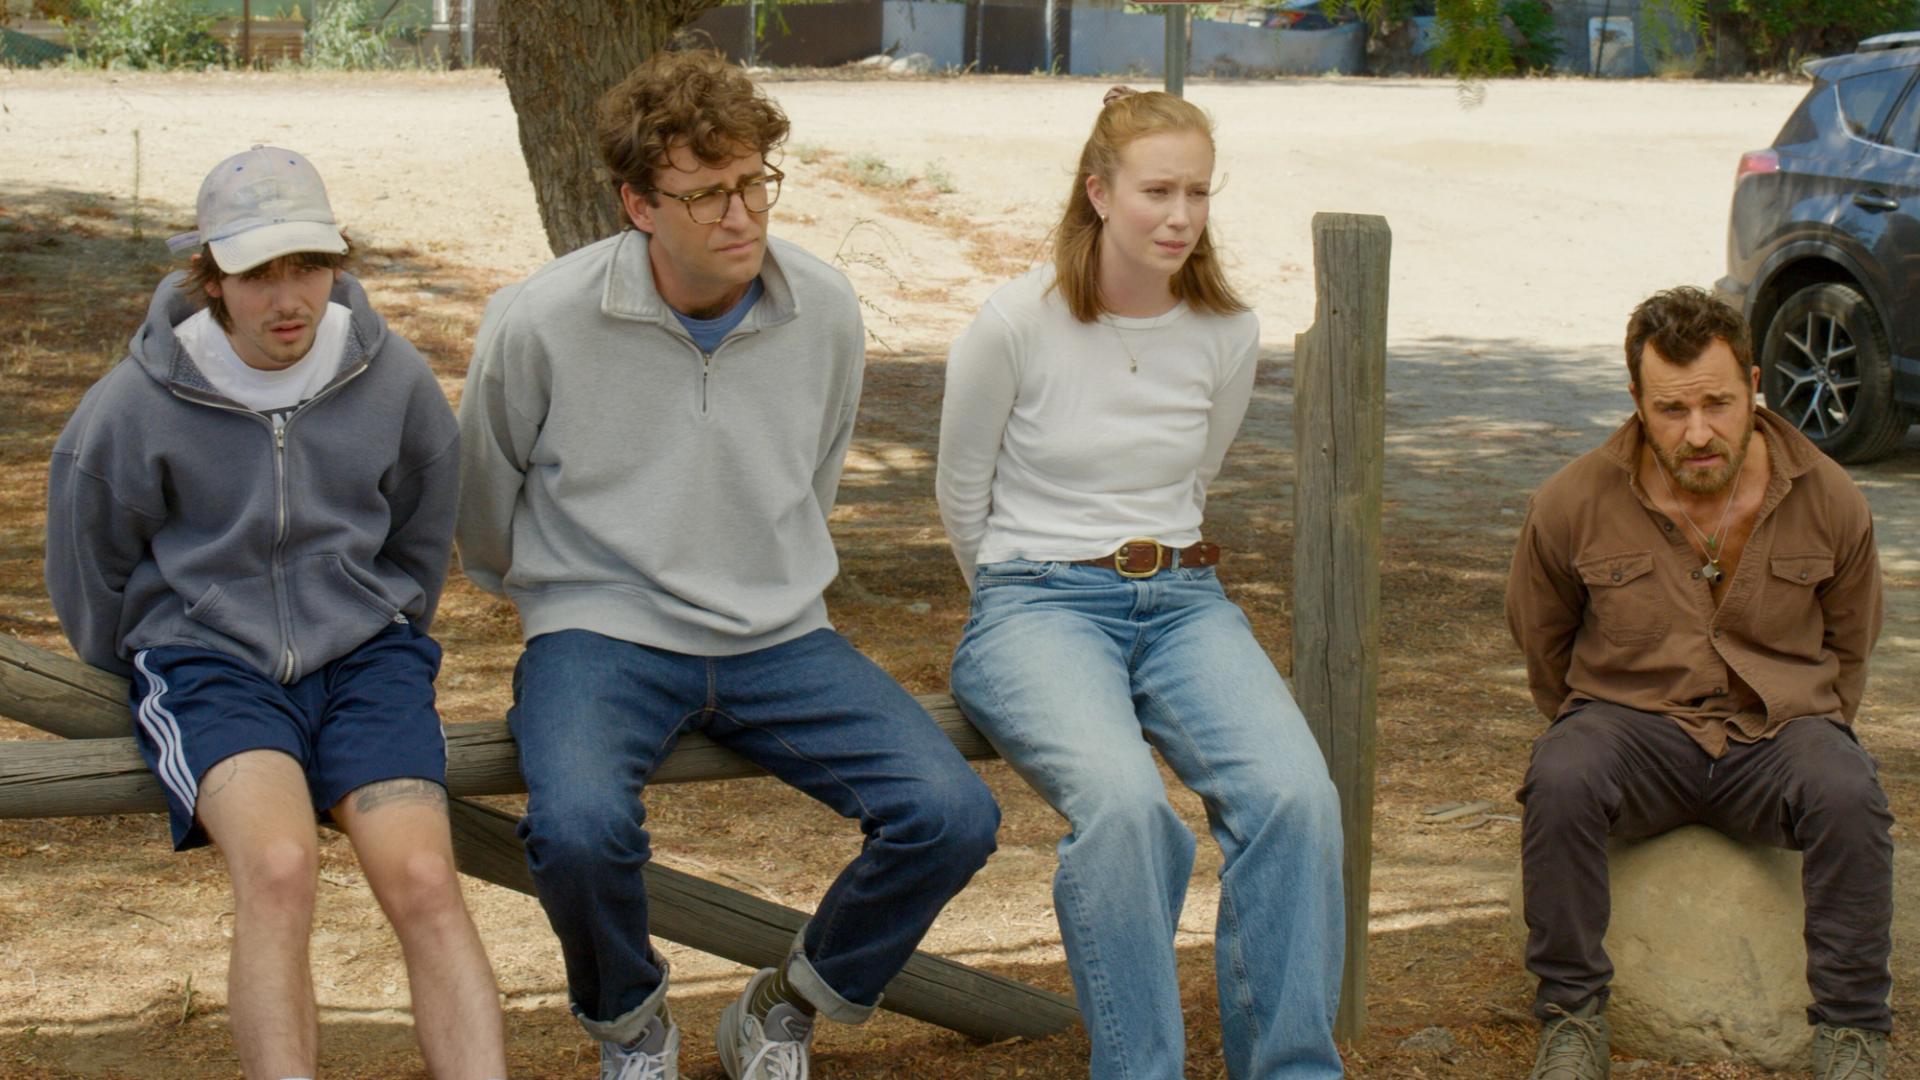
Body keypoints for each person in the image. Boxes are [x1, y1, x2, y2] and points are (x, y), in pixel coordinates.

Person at [455, 50, 1000, 1080]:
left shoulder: (827, 310)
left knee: (951, 814)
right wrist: (550, 596)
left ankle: (787, 1005)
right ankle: (632, 1028)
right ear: (636, 204)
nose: (742, 214)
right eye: (706, 194)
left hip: (781, 633)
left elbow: (813, 467)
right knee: (575, 829)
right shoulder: (542, 320)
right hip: (598, 627)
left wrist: (764, 565)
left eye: (755, 184)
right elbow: (485, 492)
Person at [44, 146, 506, 1080]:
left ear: (338, 263)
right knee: (281, 869)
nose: (287, 297)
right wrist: (144, 647)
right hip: (210, 665)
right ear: (211, 278)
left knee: (423, 877)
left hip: (368, 659)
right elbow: (88, 555)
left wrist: (386, 619)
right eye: (257, 273)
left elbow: (422, 524)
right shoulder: (139, 400)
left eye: (309, 265)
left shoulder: (392, 376)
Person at [935, 86, 1346, 1080]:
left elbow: (1191, 479)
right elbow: (960, 491)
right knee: (1125, 810)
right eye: (1157, 190)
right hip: (1037, 602)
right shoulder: (1015, 321)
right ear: (1098, 192)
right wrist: (1024, 594)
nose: (1180, 215)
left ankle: (1292, 1068)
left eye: (1198, 193)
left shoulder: (1225, 331)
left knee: (1297, 797)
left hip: (1182, 602)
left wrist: (1148, 576)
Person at [1505, 287, 1893, 1080]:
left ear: (1754, 383)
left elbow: (1850, 647)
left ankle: (1851, 1034)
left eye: (1718, 403)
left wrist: (1813, 725)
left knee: (1848, 788)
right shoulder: (1572, 501)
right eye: (1672, 410)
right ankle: (1572, 1019)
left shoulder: (1830, 496)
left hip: (1779, 734)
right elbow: (1543, 641)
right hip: (1633, 728)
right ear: (1637, 402)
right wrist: (1591, 725)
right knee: (1563, 772)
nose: (1700, 432)